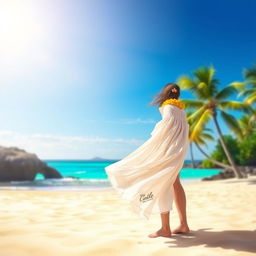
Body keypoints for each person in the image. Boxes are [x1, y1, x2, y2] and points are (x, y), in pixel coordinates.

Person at [105, 83, 190, 238]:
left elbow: (164, 131)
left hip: (167, 151)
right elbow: (183, 133)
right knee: (176, 183)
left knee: (163, 184)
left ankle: (165, 228)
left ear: (166, 94)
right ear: (177, 95)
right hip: (178, 151)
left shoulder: (168, 108)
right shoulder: (182, 111)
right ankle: (183, 224)